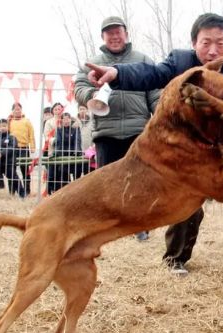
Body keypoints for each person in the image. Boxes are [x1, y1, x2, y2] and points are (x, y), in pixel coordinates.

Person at [85, 13, 223, 274]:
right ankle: (175, 258)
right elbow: (150, 74)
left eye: (220, 43)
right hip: (188, 150)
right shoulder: (180, 62)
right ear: (194, 43)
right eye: (205, 42)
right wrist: (117, 73)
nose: (212, 50)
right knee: (187, 200)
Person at [75, 16, 160, 242]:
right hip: (105, 130)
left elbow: (155, 92)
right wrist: (90, 95)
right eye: (109, 33)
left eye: (118, 32)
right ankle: (109, 225)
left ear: (126, 34)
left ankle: (139, 225)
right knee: (107, 182)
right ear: (103, 37)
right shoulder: (92, 62)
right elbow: (78, 88)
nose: (114, 36)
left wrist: (158, 117)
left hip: (138, 130)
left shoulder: (142, 59)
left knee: (139, 180)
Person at [50, 112, 83, 193]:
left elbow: (77, 141)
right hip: (63, 155)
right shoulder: (59, 130)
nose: (66, 121)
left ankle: (77, 192)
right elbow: (58, 142)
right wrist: (57, 152)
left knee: (77, 174)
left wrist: (77, 151)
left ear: (70, 119)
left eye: (68, 118)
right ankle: (66, 192)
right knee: (64, 175)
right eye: (64, 119)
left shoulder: (75, 129)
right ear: (61, 120)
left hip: (74, 155)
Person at [8, 103, 36, 196]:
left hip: (24, 148)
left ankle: (27, 190)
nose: (17, 111)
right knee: (12, 170)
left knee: (25, 170)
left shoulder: (26, 121)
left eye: (19, 109)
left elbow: (31, 134)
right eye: (15, 109)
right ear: (12, 111)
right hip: (12, 148)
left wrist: (32, 147)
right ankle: (12, 191)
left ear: (21, 110)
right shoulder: (10, 121)